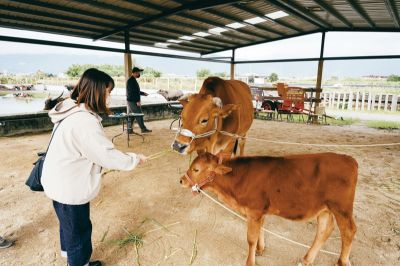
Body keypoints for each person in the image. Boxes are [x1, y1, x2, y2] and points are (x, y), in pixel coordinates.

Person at [41, 68, 147, 266]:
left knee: (68, 227)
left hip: (59, 181)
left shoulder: (71, 109)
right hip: (69, 186)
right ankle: (79, 263)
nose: (109, 97)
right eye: (108, 92)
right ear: (97, 91)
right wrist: (134, 159)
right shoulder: (83, 122)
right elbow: (106, 155)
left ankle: (72, 258)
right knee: (79, 230)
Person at [126, 66, 152, 133]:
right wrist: (137, 101)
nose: (139, 74)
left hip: (131, 100)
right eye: (138, 73)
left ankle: (129, 130)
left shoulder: (132, 80)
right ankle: (143, 129)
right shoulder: (131, 81)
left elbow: (136, 91)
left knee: (133, 116)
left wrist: (143, 93)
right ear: (134, 73)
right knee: (139, 114)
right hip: (133, 101)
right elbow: (133, 93)